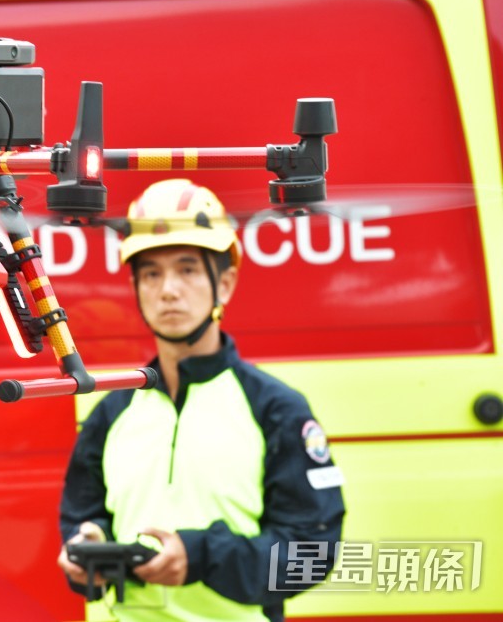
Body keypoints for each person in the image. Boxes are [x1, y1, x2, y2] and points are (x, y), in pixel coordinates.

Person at [57, 179, 345, 622]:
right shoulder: (111, 413)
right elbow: (82, 518)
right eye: (151, 273)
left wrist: (202, 556)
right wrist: (86, 549)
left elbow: (313, 553)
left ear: (224, 284)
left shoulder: (276, 409)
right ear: (136, 286)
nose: (168, 290)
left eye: (188, 269)